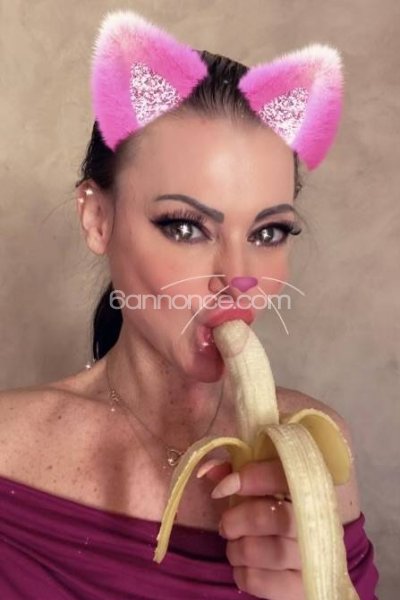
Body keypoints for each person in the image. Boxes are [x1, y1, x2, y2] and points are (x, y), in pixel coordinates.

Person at [0, 9, 379, 600]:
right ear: (97, 219)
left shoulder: (321, 447)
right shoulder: (8, 444)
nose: (238, 279)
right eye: (185, 227)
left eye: (269, 232)